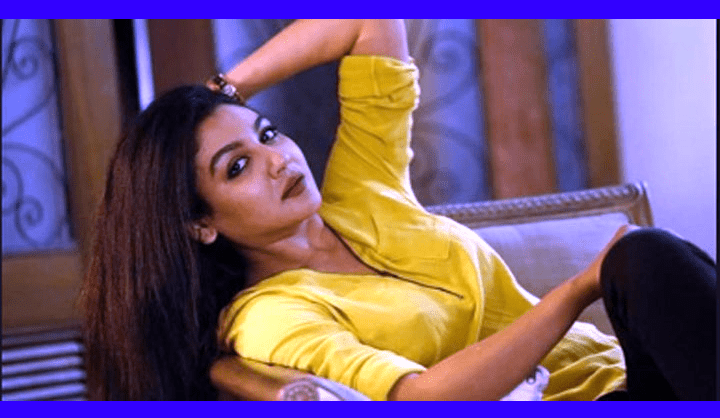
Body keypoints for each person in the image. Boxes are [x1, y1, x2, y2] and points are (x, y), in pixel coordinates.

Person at [80, 19, 717, 401]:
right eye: (237, 167)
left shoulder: (362, 192)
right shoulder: (273, 317)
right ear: (201, 224)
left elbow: (366, 19)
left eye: (267, 133)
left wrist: (222, 92)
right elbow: (420, 399)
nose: (276, 159)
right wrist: (577, 290)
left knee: (647, 263)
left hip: (632, 373)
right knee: (641, 257)